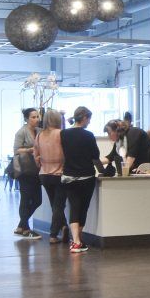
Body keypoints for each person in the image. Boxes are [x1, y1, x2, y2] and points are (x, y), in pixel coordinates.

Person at [58, 106, 102, 253]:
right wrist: (102, 170)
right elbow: (95, 156)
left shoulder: (64, 134)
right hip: (86, 176)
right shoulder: (88, 135)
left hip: (68, 176)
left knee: (74, 207)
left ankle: (76, 240)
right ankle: (77, 240)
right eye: (89, 119)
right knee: (83, 208)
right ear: (84, 118)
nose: (89, 122)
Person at [34, 108, 67, 243]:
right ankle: (53, 235)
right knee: (59, 205)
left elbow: (36, 158)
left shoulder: (39, 136)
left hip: (44, 174)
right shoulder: (61, 134)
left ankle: (64, 226)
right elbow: (67, 153)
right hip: (59, 173)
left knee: (55, 204)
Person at [10, 108, 41, 237]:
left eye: (37, 116)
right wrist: (29, 150)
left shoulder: (40, 131)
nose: (36, 119)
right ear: (27, 119)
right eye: (33, 117)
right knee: (25, 197)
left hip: (37, 169)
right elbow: (16, 150)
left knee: (38, 200)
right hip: (24, 170)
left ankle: (21, 225)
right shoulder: (21, 132)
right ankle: (25, 227)